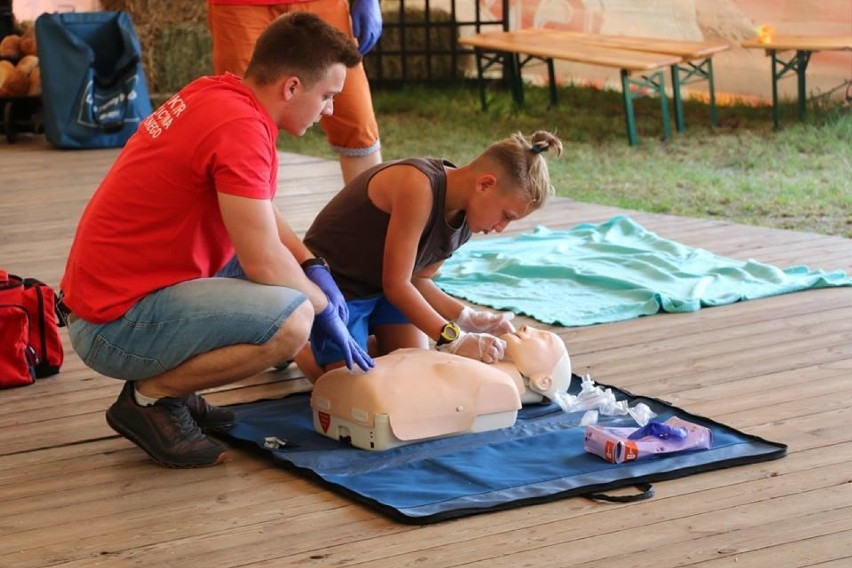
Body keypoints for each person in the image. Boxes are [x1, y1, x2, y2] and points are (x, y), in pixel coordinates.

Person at [59, 13, 373, 469]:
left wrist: (311, 265)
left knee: (292, 282)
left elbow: (258, 210)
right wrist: (322, 307)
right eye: (326, 96)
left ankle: (175, 388)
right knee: (292, 322)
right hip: (112, 326)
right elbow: (263, 261)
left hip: (115, 295)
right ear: (290, 88)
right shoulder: (241, 130)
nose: (329, 110)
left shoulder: (219, 93)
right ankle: (152, 397)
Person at [297, 130, 564, 381]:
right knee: (349, 389)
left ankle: (354, 342)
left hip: (381, 289)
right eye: (506, 216)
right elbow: (397, 285)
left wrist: (466, 317)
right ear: (485, 184)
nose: (500, 228)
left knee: (415, 372)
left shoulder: (467, 217)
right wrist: (454, 338)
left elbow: (418, 281)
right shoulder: (418, 186)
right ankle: (299, 347)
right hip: (338, 288)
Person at [206, 0, 383, 183]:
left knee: (356, 121)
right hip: (239, 6)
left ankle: (370, 207)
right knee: (242, 126)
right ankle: (249, 209)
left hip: (323, 3)